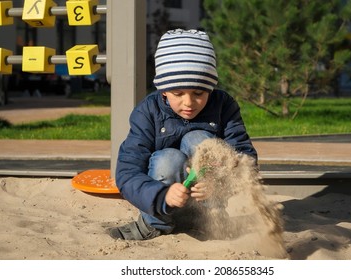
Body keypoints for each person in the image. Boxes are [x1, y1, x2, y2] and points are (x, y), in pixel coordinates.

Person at [108, 29, 257, 240]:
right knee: (168, 159)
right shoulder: (148, 111)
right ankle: (155, 224)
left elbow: (245, 158)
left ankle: (209, 218)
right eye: (178, 93)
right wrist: (162, 195)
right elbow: (127, 171)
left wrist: (219, 185)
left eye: (199, 93)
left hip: (208, 206)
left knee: (200, 141)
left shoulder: (223, 106)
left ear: (210, 89)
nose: (188, 103)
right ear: (163, 90)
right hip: (163, 203)